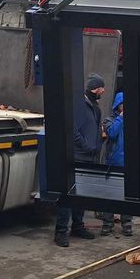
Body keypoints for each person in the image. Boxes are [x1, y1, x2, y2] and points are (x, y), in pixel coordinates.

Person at [54, 73, 105, 247]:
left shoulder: (94, 106)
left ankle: (78, 226)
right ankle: (61, 231)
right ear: (95, 88)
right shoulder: (80, 106)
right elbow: (72, 130)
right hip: (77, 156)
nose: (103, 91)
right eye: (101, 88)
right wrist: (87, 146)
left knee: (82, 195)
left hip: (89, 158)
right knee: (68, 194)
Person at [100, 91, 133, 236]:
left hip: (129, 163)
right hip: (112, 163)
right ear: (117, 105)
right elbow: (112, 133)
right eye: (123, 104)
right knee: (109, 194)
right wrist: (121, 118)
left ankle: (127, 224)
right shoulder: (109, 120)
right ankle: (107, 224)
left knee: (128, 195)